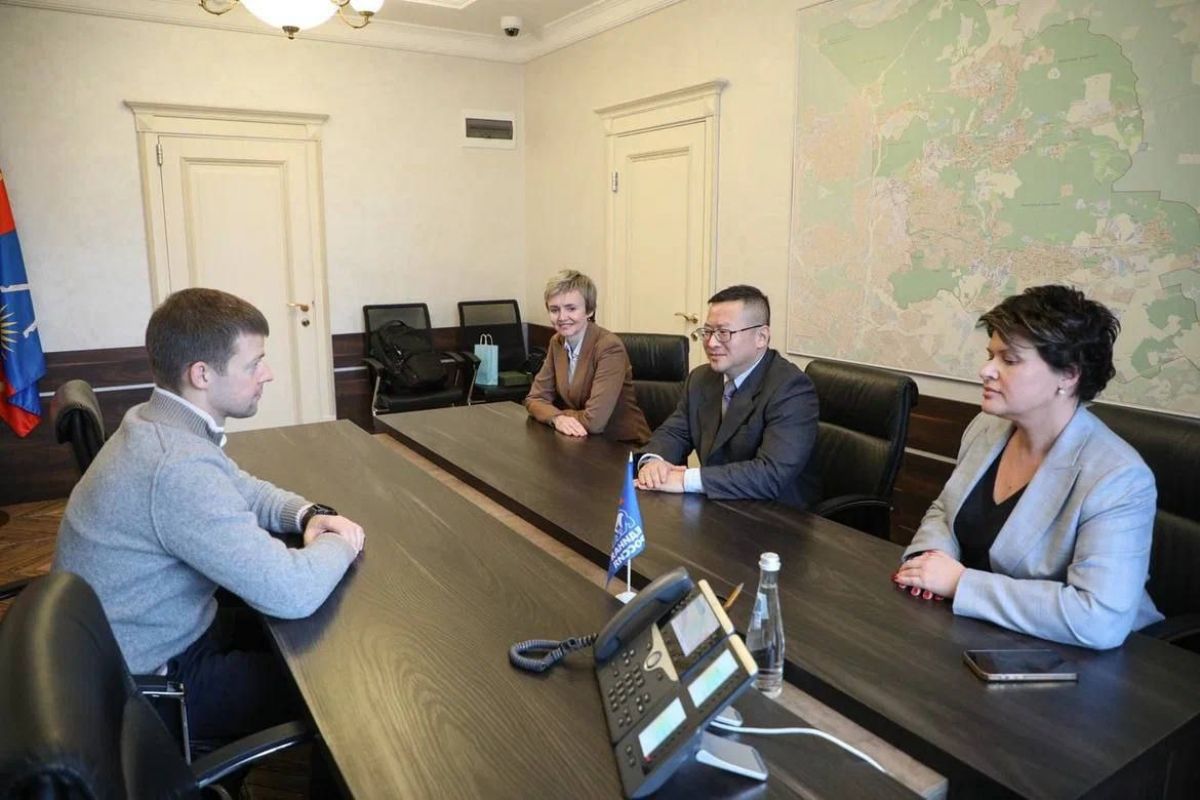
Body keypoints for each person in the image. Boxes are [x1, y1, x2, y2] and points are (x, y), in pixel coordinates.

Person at [53, 287, 366, 742]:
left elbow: (239, 486)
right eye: (254, 363)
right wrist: (342, 540)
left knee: (306, 636)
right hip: (151, 690)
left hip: (150, 639)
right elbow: (291, 591)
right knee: (335, 679)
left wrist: (307, 515)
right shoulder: (175, 467)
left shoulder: (155, 422)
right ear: (202, 374)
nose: (268, 373)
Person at [894, 285, 1162, 650]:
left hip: (1087, 660)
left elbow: (1098, 618)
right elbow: (946, 510)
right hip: (984, 637)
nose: (985, 370)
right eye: (990, 355)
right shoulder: (986, 427)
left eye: (1009, 360)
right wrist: (927, 561)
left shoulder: (1119, 477)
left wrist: (960, 583)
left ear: (1068, 375)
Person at [636, 284, 820, 508]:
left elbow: (770, 474)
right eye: (707, 332)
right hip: (719, 505)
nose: (711, 343)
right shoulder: (701, 378)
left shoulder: (791, 389)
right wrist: (654, 461)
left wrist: (685, 479)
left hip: (776, 514)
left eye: (724, 333)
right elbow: (675, 432)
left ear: (761, 337)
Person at [524, 270, 651, 444]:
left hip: (622, 446)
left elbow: (594, 422)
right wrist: (556, 418)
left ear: (589, 310)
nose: (562, 317)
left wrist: (558, 413)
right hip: (581, 442)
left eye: (571, 308)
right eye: (554, 310)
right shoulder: (557, 342)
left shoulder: (609, 347)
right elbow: (534, 399)